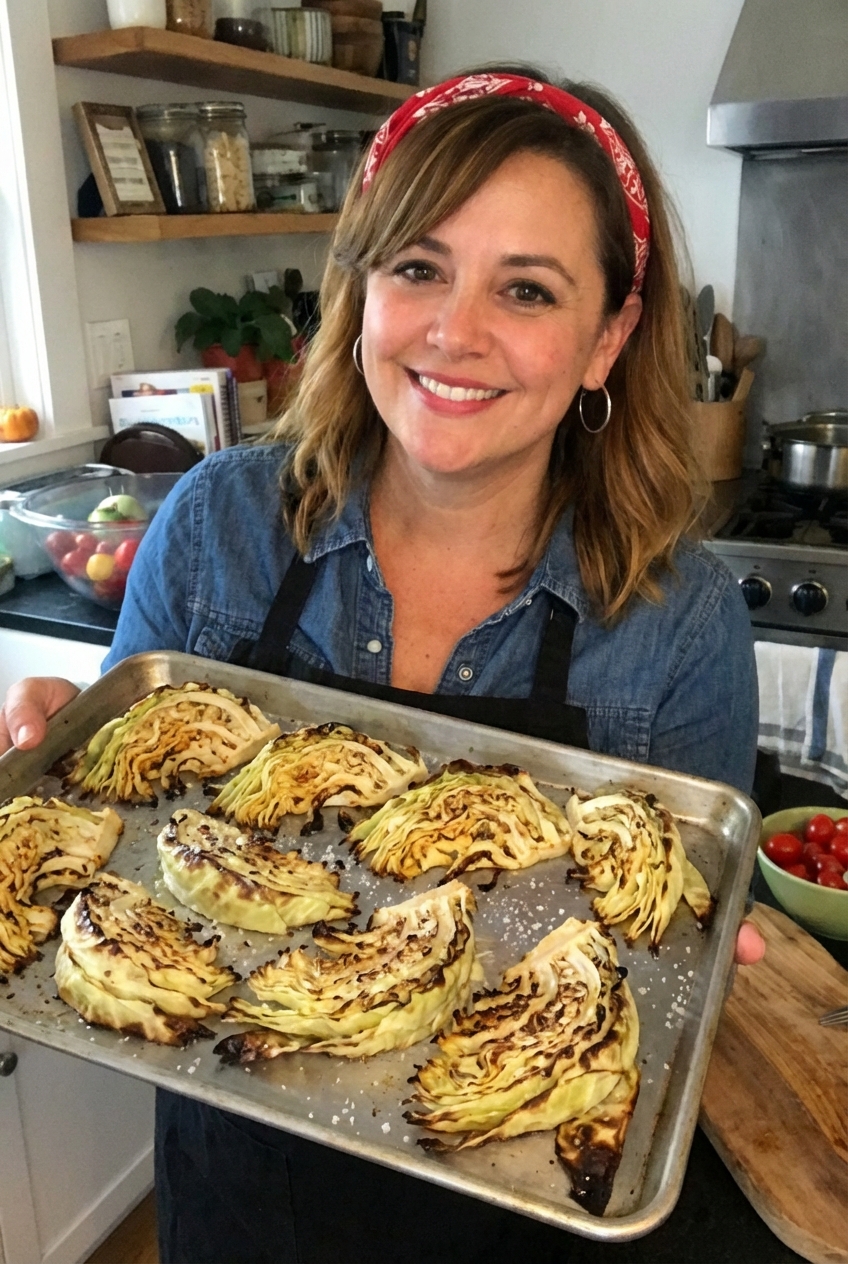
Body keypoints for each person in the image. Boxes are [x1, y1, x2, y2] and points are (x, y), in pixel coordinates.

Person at [0, 69, 764, 1264]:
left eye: (525, 288)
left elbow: (659, 977)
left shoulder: (678, 621)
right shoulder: (216, 529)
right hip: (234, 1198)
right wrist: (55, 739)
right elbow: (112, 815)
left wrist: (722, 960)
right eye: (416, 267)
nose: (453, 332)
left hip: (513, 1194)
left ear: (607, 336)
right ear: (357, 289)